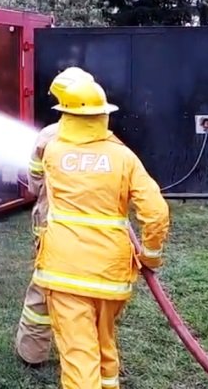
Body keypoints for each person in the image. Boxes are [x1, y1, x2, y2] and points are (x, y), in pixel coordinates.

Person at [31, 72, 170, 389]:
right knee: (104, 344)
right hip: (111, 275)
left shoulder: (52, 151)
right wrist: (151, 256)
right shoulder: (123, 157)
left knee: (79, 356)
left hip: (64, 272)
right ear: (104, 115)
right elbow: (156, 211)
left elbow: (36, 182)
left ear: (65, 115)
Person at [15, 67, 120, 366]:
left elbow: (35, 183)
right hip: (98, 229)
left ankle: (32, 352)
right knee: (92, 291)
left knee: (45, 286)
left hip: (54, 226)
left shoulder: (48, 136)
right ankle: (93, 354)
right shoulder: (109, 140)